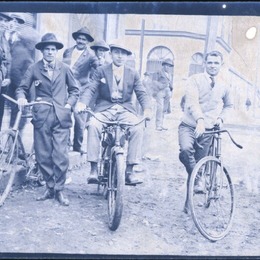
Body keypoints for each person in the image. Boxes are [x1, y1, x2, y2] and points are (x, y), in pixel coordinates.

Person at [75, 40, 152, 185]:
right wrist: (82, 103)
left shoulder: (133, 73)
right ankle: (93, 169)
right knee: (93, 125)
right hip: (105, 108)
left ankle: (129, 171)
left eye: (123, 54)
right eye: (117, 52)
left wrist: (147, 109)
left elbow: (141, 93)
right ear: (111, 54)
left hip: (125, 109)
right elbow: (91, 88)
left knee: (137, 128)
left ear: (127, 56)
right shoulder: (102, 70)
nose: (120, 56)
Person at [16, 33, 79, 206]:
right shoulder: (34, 69)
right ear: (42, 51)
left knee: (60, 154)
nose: (50, 52)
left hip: (61, 116)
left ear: (56, 51)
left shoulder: (65, 68)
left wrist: (68, 105)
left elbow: (75, 90)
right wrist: (22, 98)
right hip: (41, 116)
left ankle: (59, 190)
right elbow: (22, 88)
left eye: (53, 49)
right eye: (47, 49)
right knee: (43, 155)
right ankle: (49, 188)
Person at [178, 50, 233, 214]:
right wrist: (200, 120)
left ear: (220, 65)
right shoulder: (194, 80)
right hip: (189, 125)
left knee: (197, 165)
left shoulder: (224, 85)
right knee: (186, 151)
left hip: (208, 131)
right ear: (204, 64)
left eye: (216, 63)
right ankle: (199, 178)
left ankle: (189, 203)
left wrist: (221, 118)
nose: (213, 66)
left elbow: (229, 106)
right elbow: (192, 101)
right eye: (210, 62)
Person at [63, 27, 99, 154]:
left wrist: (93, 82)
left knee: (79, 120)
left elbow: (98, 69)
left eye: (84, 39)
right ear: (76, 39)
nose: (81, 41)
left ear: (87, 42)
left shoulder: (91, 56)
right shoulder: (67, 52)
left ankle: (77, 146)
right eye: (79, 38)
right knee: (65, 116)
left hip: (81, 90)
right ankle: (65, 144)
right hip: (66, 88)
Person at [6, 13, 40, 131]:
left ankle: (14, 144)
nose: (34, 45)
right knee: (19, 118)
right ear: (29, 41)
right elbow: (15, 71)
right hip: (18, 91)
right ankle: (14, 144)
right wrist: (24, 88)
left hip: (18, 90)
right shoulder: (22, 52)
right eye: (33, 42)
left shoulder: (22, 50)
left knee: (17, 117)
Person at [152, 58, 174, 131]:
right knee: (160, 108)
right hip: (160, 92)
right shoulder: (158, 72)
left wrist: (171, 88)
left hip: (167, 92)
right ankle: (158, 125)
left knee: (164, 109)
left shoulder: (170, 74)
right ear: (163, 65)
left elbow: (170, 83)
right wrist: (161, 86)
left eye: (169, 66)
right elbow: (154, 82)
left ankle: (161, 125)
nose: (167, 67)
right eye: (166, 65)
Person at [0, 12, 12, 131]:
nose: (3, 23)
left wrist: (7, 77)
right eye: (1, 20)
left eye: (5, 21)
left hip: (2, 82)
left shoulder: (5, 40)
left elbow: (8, 61)